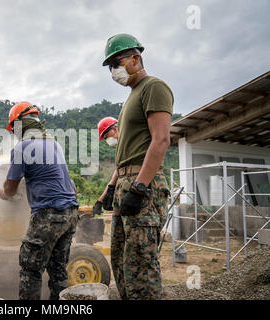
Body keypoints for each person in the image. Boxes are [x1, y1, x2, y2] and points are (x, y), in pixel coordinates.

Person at [102, 34, 173, 300]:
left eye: (117, 62)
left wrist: (140, 186)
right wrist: (111, 188)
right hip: (125, 182)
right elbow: (126, 152)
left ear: (136, 58)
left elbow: (160, 140)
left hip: (144, 185)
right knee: (122, 261)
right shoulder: (131, 97)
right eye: (110, 66)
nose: (114, 70)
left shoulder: (154, 87)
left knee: (141, 265)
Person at [0, 102, 79, 300]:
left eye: (14, 128)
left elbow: (10, 189)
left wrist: (3, 194)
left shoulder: (22, 147)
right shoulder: (54, 144)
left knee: (30, 270)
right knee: (58, 270)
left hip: (48, 214)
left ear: (20, 124)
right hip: (70, 213)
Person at [92, 117, 119, 216]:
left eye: (107, 136)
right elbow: (117, 174)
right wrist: (100, 201)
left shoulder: (129, 143)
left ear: (115, 128)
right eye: (105, 138)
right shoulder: (120, 148)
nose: (108, 140)